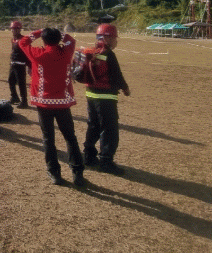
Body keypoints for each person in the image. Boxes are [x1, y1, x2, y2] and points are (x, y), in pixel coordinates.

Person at [18, 28, 85, 186]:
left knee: (48, 139)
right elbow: (71, 40)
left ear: (44, 40)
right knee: (70, 138)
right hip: (62, 102)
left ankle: (54, 172)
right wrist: (59, 33)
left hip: (44, 103)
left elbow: (23, 42)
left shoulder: (38, 53)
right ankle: (77, 173)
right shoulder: (66, 52)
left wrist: (40, 31)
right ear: (58, 39)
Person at [82, 23, 131, 175]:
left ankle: (89, 156)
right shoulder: (108, 54)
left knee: (94, 126)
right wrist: (125, 88)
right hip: (106, 97)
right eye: (115, 38)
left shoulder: (92, 51)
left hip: (91, 95)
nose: (116, 41)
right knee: (110, 130)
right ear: (108, 38)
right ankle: (106, 161)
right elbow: (117, 75)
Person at [8, 21, 31, 108]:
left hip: (20, 65)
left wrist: (30, 66)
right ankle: (14, 97)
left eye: (14, 29)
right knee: (11, 81)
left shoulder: (24, 39)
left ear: (19, 29)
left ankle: (24, 101)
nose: (12, 30)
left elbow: (28, 53)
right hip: (13, 64)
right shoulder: (13, 39)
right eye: (12, 29)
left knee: (21, 83)